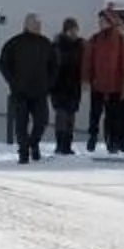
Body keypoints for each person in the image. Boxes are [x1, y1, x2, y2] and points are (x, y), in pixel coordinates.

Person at [83, 4, 124, 154]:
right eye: (99, 21)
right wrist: (86, 79)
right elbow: (88, 61)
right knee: (96, 114)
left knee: (114, 116)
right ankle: (94, 136)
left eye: (103, 21)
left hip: (115, 85)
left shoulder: (121, 41)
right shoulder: (95, 40)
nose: (100, 24)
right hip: (99, 83)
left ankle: (113, 141)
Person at [0, 14, 56, 163]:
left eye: (39, 24)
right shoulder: (14, 43)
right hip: (20, 91)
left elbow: (54, 66)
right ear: (27, 25)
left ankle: (33, 143)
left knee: (42, 121)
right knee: (21, 124)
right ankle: (23, 152)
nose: (38, 27)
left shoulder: (45, 43)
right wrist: (12, 81)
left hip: (40, 91)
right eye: (36, 24)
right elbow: (3, 63)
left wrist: (49, 84)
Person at [49, 14, 86, 157]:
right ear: (65, 31)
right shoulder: (57, 46)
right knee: (62, 116)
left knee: (70, 117)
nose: (74, 33)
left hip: (73, 87)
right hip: (59, 87)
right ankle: (60, 145)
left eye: (75, 30)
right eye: (71, 30)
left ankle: (67, 145)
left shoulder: (80, 46)